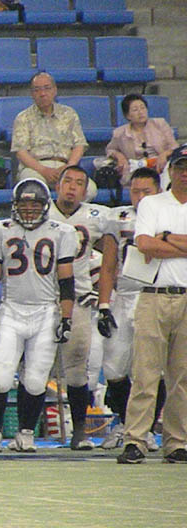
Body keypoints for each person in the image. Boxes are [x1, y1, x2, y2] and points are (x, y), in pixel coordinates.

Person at [0, 179, 77, 453]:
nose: (30, 210)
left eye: (35, 205)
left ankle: (26, 433)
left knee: (34, 380)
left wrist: (66, 318)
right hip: (11, 309)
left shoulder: (61, 232)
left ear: (45, 206)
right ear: (14, 205)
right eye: (24, 204)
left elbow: (67, 282)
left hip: (45, 311)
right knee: (0, 377)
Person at [117, 144, 187, 465]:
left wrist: (166, 237)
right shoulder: (152, 203)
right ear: (170, 171)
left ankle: (177, 441)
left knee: (182, 377)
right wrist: (174, 243)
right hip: (153, 294)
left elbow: (155, 243)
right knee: (145, 373)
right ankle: (136, 439)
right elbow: (144, 244)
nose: (185, 173)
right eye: (180, 167)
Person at [97, 168, 165, 451]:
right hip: (124, 296)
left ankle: (144, 429)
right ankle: (128, 424)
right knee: (113, 366)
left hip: (155, 294)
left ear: (158, 191)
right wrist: (103, 304)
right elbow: (108, 265)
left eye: (146, 191)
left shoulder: (169, 214)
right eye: (135, 191)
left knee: (152, 368)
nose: (139, 197)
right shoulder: (118, 217)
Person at [47, 165, 108, 449]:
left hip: (79, 298)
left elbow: (110, 256)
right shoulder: (40, 210)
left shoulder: (96, 217)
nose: (72, 187)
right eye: (67, 181)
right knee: (34, 369)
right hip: (42, 300)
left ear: (85, 191)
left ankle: (79, 430)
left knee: (76, 369)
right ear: (57, 185)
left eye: (78, 183)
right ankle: (24, 431)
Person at [11, 72, 97, 200]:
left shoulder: (69, 114)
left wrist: (69, 167)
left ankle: (67, 213)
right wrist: (44, 170)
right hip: (36, 167)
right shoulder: (23, 117)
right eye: (37, 90)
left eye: (47, 88)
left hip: (65, 166)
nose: (42, 93)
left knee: (90, 190)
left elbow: (79, 145)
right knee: (32, 189)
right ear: (32, 94)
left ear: (55, 90)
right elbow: (21, 152)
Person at [106, 94, 178, 188]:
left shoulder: (160, 124)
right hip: (136, 171)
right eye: (135, 110)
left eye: (143, 108)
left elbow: (175, 147)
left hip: (160, 168)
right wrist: (120, 156)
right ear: (127, 115)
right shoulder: (120, 133)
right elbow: (110, 149)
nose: (141, 112)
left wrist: (164, 155)